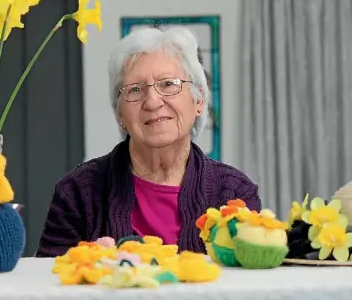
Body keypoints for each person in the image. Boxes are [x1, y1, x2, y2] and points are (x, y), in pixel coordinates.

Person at [36, 27, 261, 257]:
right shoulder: (77, 191)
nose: (152, 102)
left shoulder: (234, 193)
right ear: (120, 114)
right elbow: (49, 283)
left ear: (199, 100)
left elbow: (251, 285)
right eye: (135, 89)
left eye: (168, 84)